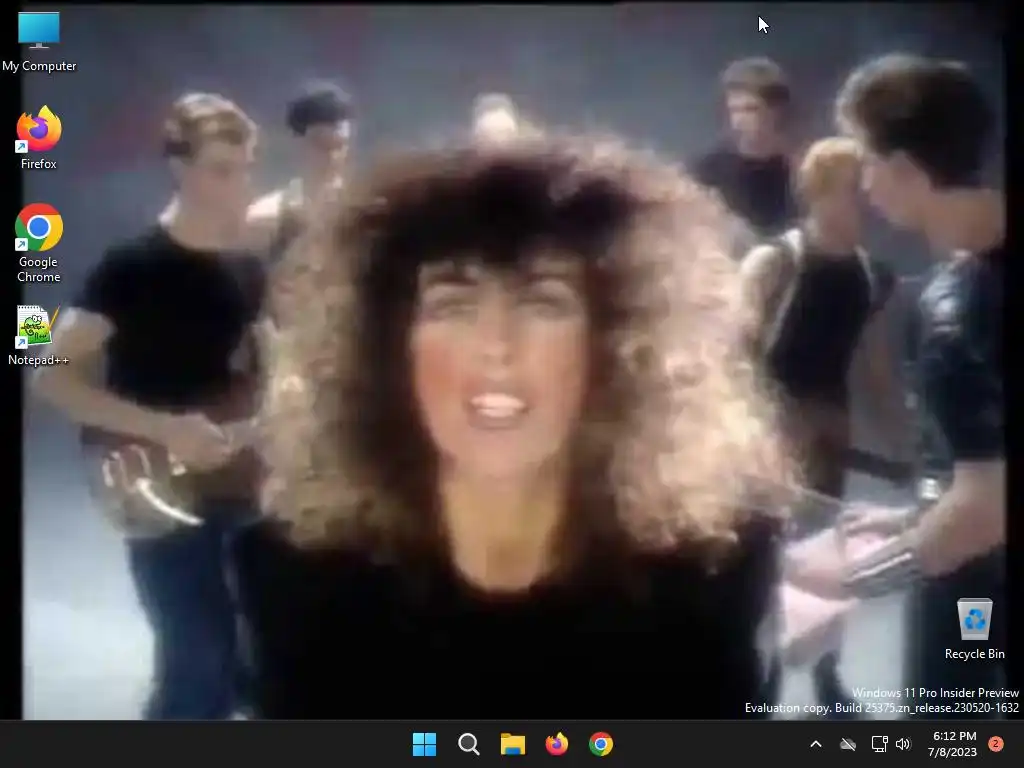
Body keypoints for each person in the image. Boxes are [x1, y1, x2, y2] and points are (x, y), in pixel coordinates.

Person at [236, 130, 797, 718]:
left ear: (617, 343)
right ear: (389, 349)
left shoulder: (716, 577)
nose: (497, 346)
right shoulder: (293, 580)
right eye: (453, 305)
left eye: (542, 302)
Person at [33, 93, 267, 720]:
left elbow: (264, 366)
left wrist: (279, 405)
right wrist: (164, 428)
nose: (239, 185)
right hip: (153, 483)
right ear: (179, 168)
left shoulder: (246, 267)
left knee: (255, 660)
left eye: (245, 168)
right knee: (197, 662)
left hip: (240, 479)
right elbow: (49, 375)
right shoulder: (131, 267)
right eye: (221, 170)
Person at [787, 54, 1006, 717]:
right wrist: (915, 512)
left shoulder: (962, 307)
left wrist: (853, 578)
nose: (865, 183)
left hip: (981, 596)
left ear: (906, 169)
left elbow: (983, 512)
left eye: (868, 161)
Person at [740, 136, 910, 718]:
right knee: (758, 561)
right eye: (853, 190)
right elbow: (729, 351)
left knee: (827, 559)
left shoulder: (870, 275)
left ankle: (827, 678)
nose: (866, 202)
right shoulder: (775, 262)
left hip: (830, 430)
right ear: (820, 193)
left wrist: (904, 443)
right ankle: (756, 685)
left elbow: (875, 365)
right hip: (766, 431)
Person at [693, 57, 799, 242]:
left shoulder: (798, 175)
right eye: (734, 110)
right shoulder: (707, 172)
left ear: (776, 112)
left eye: (750, 109)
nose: (739, 120)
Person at [246, 81, 354, 262]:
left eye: (340, 145)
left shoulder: (367, 214)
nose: (332, 156)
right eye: (322, 144)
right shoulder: (266, 218)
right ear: (297, 143)